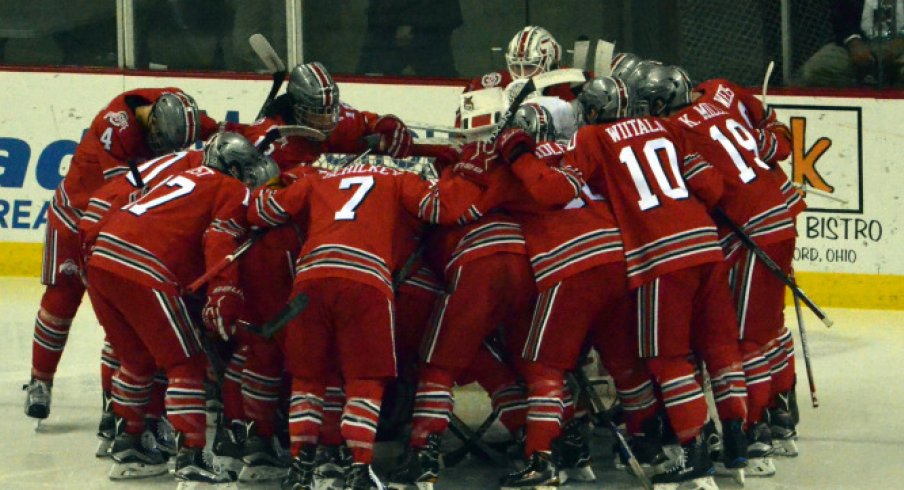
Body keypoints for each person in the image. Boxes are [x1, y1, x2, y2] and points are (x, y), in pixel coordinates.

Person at [512, 75, 727, 490]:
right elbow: (710, 186)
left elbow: (556, 190)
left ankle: (693, 448)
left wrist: (517, 158)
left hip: (658, 254)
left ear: (591, 113)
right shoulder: (670, 125)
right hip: (702, 243)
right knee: (685, 352)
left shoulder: (591, 139)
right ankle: (675, 438)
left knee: (664, 359)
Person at [247, 155, 486, 489]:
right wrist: (474, 176)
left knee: (307, 378)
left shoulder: (320, 179)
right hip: (365, 279)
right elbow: (441, 208)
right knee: (365, 380)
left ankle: (301, 468)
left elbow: (261, 211)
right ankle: (359, 468)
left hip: (310, 278)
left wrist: (280, 181)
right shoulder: (399, 178)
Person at [23, 88, 239, 424]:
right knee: (61, 299)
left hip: (113, 227)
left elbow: (219, 133)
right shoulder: (116, 129)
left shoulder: (179, 112)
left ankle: (118, 408)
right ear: (152, 127)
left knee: (121, 323)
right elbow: (123, 195)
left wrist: (244, 140)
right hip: (76, 216)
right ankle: (40, 380)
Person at [83, 132, 277, 484]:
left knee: (136, 360)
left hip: (101, 259)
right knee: (186, 362)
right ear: (233, 167)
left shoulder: (181, 176)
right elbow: (220, 238)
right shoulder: (232, 190)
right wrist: (224, 293)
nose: (250, 180)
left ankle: (129, 443)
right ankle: (192, 455)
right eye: (247, 171)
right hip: (144, 268)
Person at [801, 0, 904, 87]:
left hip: (901, 46)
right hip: (860, 42)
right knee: (817, 69)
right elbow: (841, 12)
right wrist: (853, 41)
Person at [356, 0, 462, 77]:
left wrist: (411, 24)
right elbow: (375, 17)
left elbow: (452, 15)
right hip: (385, 51)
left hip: (431, 55)